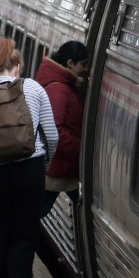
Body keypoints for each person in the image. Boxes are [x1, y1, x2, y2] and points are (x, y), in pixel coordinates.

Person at [0, 38, 58, 278]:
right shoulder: (34, 89)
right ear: (18, 64)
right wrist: (44, 166)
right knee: (24, 234)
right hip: (30, 169)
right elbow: (51, 135)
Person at [35, 40, 89, 217]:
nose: (86, 69)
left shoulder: (64, 85)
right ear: (70, 63)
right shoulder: (60, 90)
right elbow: (54, 130)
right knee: (34, 213)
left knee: (36, 212)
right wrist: (80, 148)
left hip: (62, 167)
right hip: (57, 168)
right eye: (84, 64)